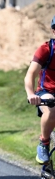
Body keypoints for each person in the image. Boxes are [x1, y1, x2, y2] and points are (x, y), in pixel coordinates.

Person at [24, 15, 55, 165]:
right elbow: (30, 74)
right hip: (46, 92)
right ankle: (44, 143)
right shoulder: (46, 49)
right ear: (53, 31)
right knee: (51, 109)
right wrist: (30, 94)